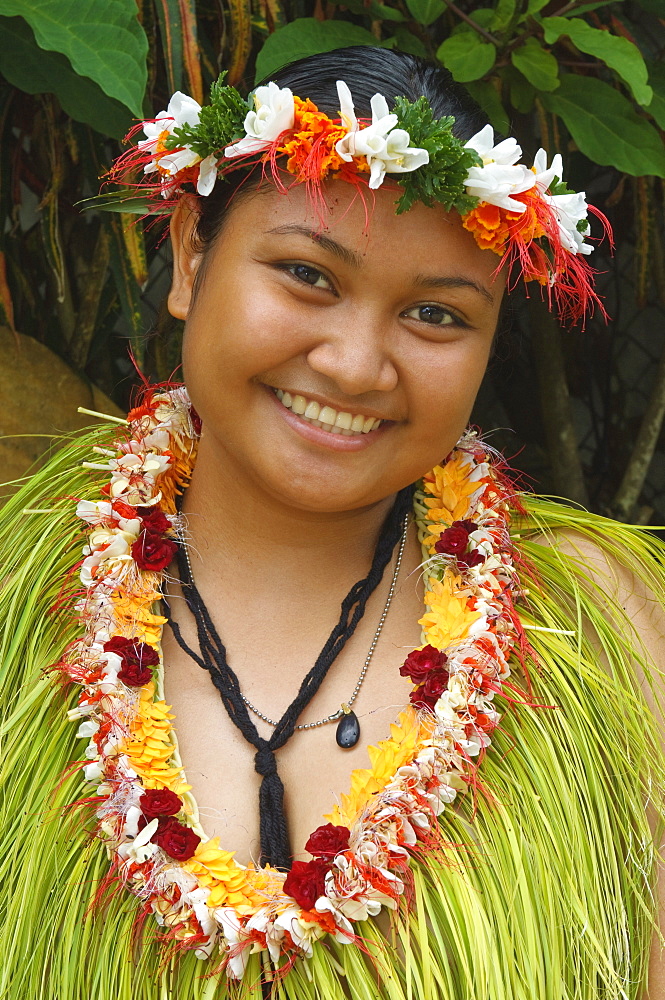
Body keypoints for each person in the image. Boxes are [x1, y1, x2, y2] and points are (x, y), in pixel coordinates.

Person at [1, 46, 664, 1000]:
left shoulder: (595, 632)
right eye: (308, 276)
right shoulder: (22, 594)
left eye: (435, 314)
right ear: (190, 255)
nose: (356, 366)